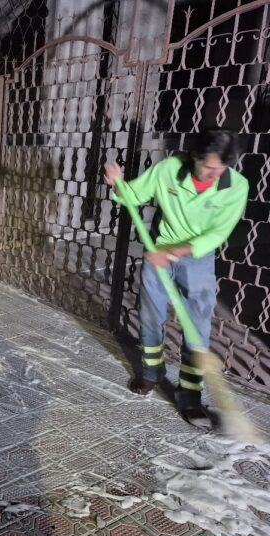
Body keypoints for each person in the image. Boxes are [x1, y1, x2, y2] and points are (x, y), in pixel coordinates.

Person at [104, 129, 248, 419]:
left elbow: (218, 233)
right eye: (208, 166)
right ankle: (151, 373)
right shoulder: (170, 169)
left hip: (197, 256)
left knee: (196, 325)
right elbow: (134, 195)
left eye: (220, 169)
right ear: (194, 157)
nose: (213, 174)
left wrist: (173, 252)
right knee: (150, 313)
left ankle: (189, 392)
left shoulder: (236, 186)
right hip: (159, 247)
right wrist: (118, 184)